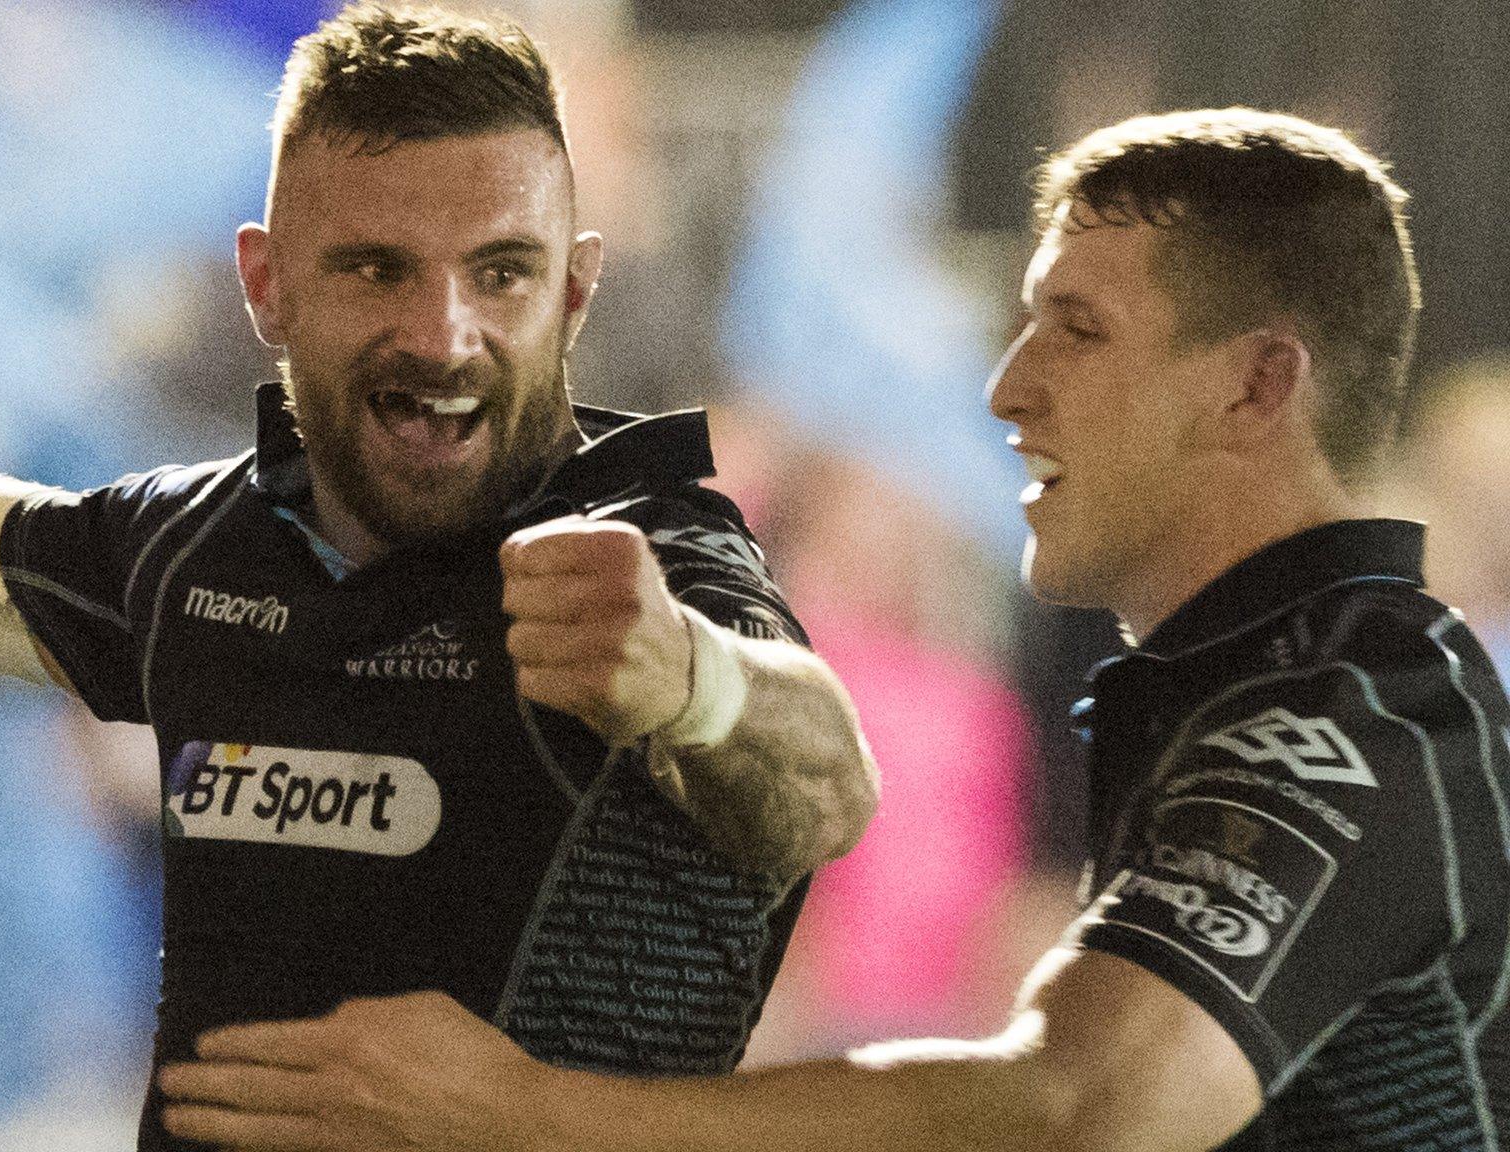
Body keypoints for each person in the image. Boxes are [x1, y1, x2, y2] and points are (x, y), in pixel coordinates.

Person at [0, 5, 878, 1148]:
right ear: (266, 286)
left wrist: (687, 683)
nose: (441, 333)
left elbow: (824, 781)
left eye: (498, 274)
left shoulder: (645, 550)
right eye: (376, 269)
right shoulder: (200, 551)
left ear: (571, 290)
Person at [154, 108, 1510, 1151]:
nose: (1005, 390)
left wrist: (522, 1111)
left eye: (1076, 332)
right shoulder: (1249, 691)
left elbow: (1080, 1100)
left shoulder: (1354, 711)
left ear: (1257, 387)